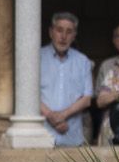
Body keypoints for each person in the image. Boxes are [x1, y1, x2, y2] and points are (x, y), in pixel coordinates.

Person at [40, 12, 94, 147]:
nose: (63, 37)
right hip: (41, 135)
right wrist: (51, 117)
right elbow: (28, 94)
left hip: (72, 136)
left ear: (74, 35)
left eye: (69, 32)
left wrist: (62, 115)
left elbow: (87, 99)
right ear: (51, 32)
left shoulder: (83, 61)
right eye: (59, 30)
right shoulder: (36, 58)